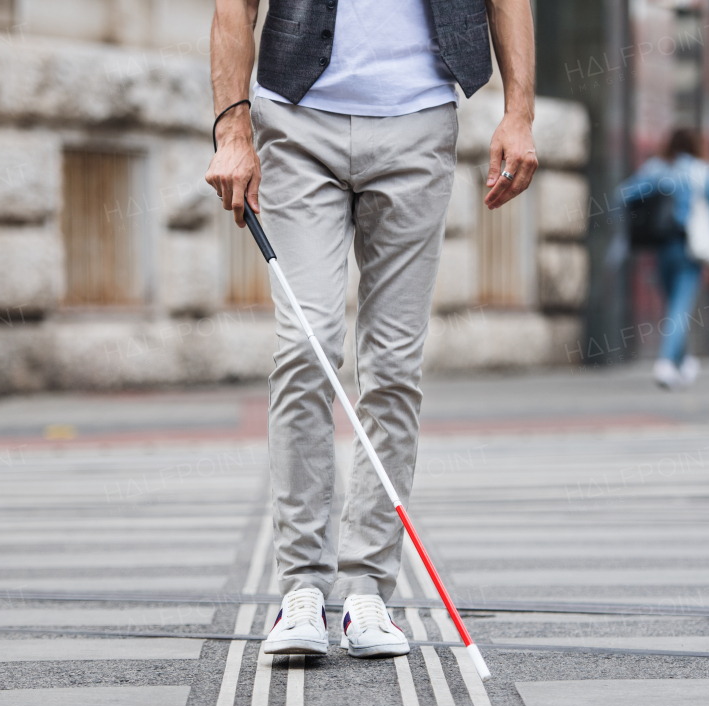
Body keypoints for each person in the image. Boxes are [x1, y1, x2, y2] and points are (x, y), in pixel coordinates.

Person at [206, 0, 538, 658]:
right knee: (308, 345)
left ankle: (366, 590)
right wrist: (232, 131)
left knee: (392, 366)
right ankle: (301, 585)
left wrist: (519, 113)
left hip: (418, 122)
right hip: (296, 120)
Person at [620, 128, 709, 390]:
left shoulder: (656, 168)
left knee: (674, 306)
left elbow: (624, 194)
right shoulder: (703, 171)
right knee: (680, 307)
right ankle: (666, 363)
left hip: (661, 247)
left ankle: (684, 362)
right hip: (690, 248)